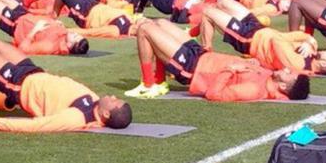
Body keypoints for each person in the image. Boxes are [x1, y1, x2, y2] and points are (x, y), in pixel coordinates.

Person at [0, 40, 132, 131]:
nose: (113, 97)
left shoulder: (77, 118)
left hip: (19, 84)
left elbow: (37, 125)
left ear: (106, 113)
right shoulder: (95, 102)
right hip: (35, 72)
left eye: (115, 101)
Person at [127, 19, 310, 101]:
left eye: (289, 75)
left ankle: (149, 85)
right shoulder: (270, 75)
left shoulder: (254, 90)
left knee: (145, 29)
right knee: (160, 23)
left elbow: (215, 95)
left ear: (284, 87)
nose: (287, 70)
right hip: (200, 55)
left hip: (192, 68)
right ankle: (159, 82)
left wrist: (231, 69)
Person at [197, 0, 326, 75]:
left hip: (249, 38)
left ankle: (205, 55)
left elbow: (278, 40)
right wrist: (308, 40)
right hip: (258, 29)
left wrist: (306, 39)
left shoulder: (298, 64)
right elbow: (306, 40)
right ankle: (202, 29)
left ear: (325, 64)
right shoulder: (311, 54)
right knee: (223, 2)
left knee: (208, 13)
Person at [10, 0, 137, 38]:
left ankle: (24, 3)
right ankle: (52, 14)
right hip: (91, 3)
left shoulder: (117, 30)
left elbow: (90, 32)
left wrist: (67, 30)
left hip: (85, 13)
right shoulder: (130, 20)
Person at [0, 0, 89, 54]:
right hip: (24, 15)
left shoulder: (49, 46)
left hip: (16, 23)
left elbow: (24, 49)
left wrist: (34, 30)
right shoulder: (64, 34)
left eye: (75, 37)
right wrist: (56, 24)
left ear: (69, 45)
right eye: (78, 35)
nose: (74, 33)